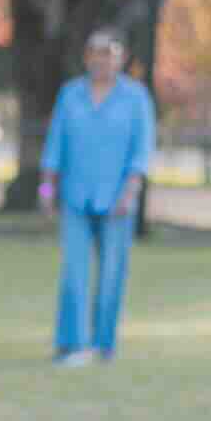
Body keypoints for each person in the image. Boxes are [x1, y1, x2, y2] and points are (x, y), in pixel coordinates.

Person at [38, 29, 155, 365]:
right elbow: (55, 145)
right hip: (76, 196)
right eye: (96, 53)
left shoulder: (136, 98)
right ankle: (72, 343)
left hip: (118, 200)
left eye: (109, 53)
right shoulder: (70, 94)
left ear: (121, 58)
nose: (102, 60)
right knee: (74, 272)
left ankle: (103, 345)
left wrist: (130, 192)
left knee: (111, 275)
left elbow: (141, 150)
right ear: (86, 56)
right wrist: (47, 189)